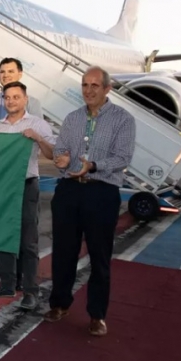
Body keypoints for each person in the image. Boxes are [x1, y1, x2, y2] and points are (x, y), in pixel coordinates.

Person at [45, 66, 135, 337]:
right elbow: (61, 149)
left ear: (107, 89)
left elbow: (123, 158)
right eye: (85, 85)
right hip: (69, 191)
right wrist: (62, 158)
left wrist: (93, 166)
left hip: (101, 192)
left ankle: (97, 315)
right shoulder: (72, 118)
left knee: (99, 255)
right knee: (63, 252)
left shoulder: (123, 120)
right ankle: (60, 304)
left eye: (95, 85)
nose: (88, 90)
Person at [0, 81, 55, 310]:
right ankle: (7, 284)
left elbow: (53, 154)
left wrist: (38, 138)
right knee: (5, 236)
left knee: (28, 241)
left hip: (26, 185)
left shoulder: (37, 124)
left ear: (25, 99)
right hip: (4, 187)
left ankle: (31, 290)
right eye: (7, 97)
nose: (11, 101)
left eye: (16, 97)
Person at [0, 57, 44, 285]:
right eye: (2, 72)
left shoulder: (33, 104)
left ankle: (23, 275)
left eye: (10, 71)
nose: (6, 75)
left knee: (24, 229)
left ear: (20, 74)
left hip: (23, 176)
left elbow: (38, 138)